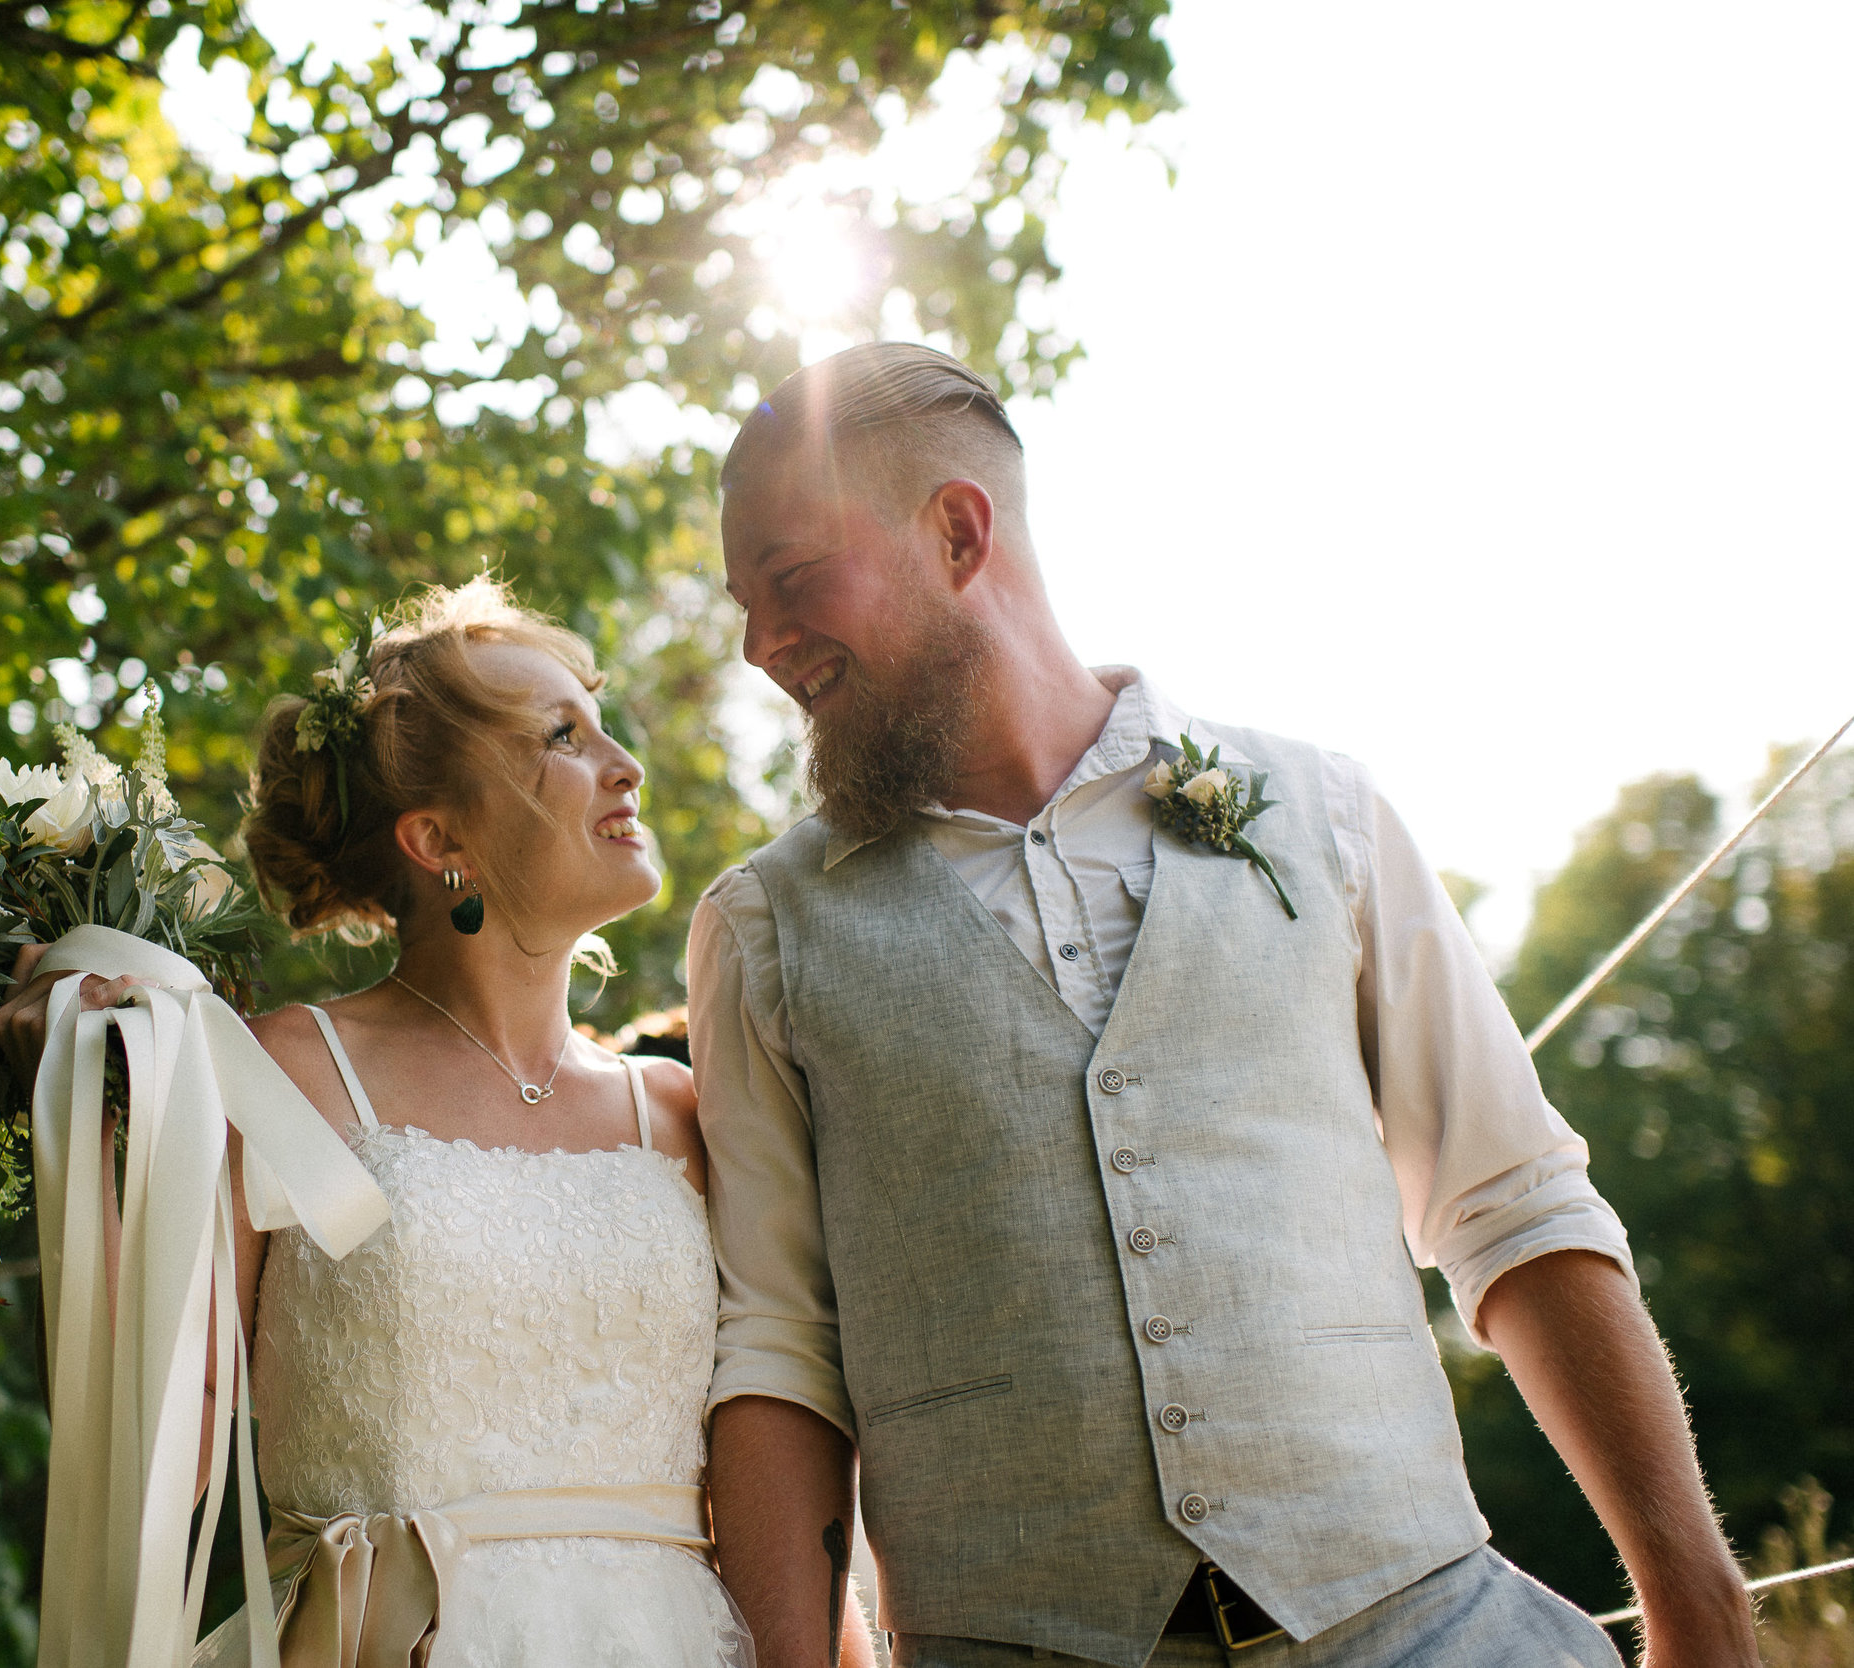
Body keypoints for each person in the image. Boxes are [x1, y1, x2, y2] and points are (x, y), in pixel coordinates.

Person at [688, 343, 1760, 1668]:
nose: (757, 645)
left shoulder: (1322, 812)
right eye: (745, 604)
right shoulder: (761, 931)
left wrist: (1696, 1597)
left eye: (789, 584)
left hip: (1437, 1630)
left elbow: (1514, 1206)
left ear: (959, 532)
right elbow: (783, 1355)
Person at [0, 578, 753, 1668]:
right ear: (440, 836)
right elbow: (162, 1446)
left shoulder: (678, 1111)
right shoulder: (272, 1073)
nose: (624, 764)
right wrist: (93, 1129)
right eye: (562, 738)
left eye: (602, 727)